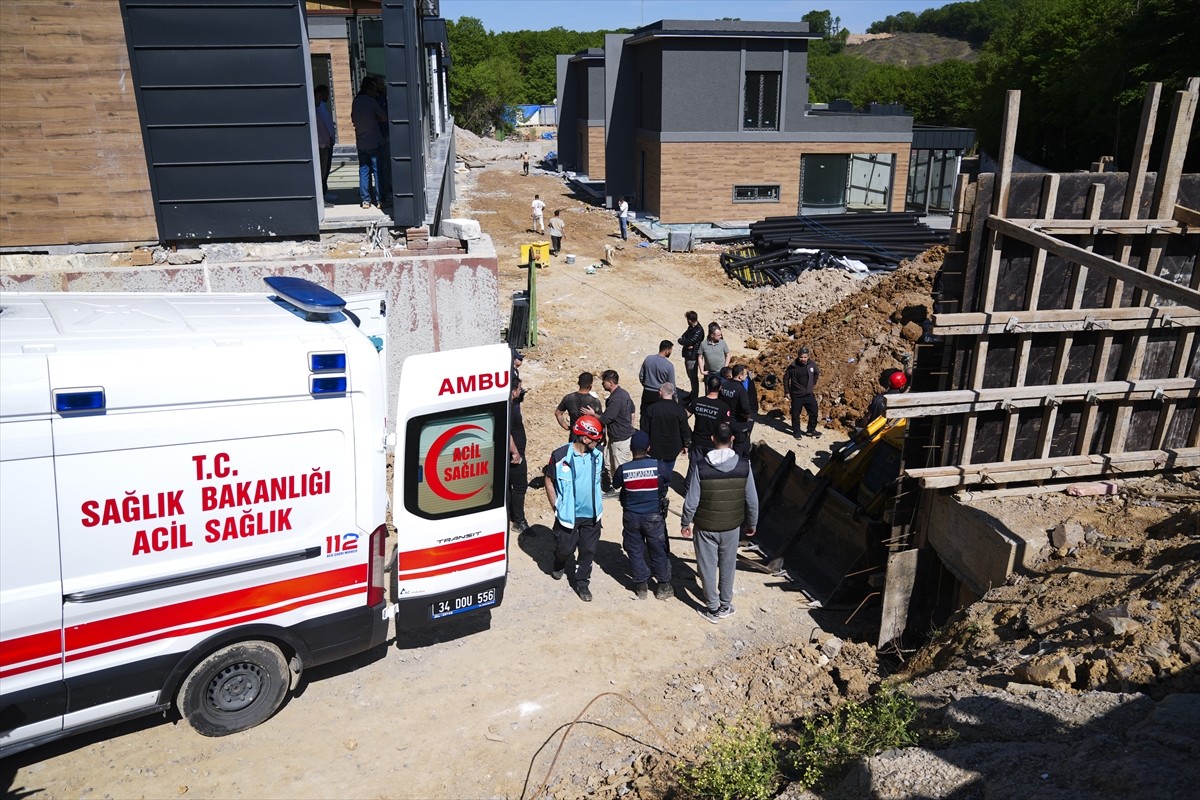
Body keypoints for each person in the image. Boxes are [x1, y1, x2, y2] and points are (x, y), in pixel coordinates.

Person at [680, 422, 758, 623]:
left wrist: (685, 522)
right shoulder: (744, 465)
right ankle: (725, 605)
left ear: (712, 439)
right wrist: (752, 523)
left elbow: (692, 501)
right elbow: (751, 499)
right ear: (732, 439)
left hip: (705, 527)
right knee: (728, 566)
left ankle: (712, 608)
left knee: (707, 567)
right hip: (732, 526)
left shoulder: (702, 466)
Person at [544, 414, 606, 602]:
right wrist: (556, 506)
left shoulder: (599, 455)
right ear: (585, 438)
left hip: (592, 515)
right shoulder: (560, 455)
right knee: (565, 549)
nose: (599, 442)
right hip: (568, 516)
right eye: (596, 439)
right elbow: (549, 480)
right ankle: (559, 562)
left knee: (588, 551)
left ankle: (582, 582)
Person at [613, 431, 673, 600]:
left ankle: (641, 587)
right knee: (658, 550)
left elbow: (615, 484)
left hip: (631, 516)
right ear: (648, 448)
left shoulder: (624, 469)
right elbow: (667, 480)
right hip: (654, 516)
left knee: (635, 551)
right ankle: (663, 586)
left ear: (631, 449)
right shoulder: (658, 466)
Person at [351, 76, 386, 209]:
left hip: (361, 142)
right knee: (377, 172)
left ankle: (365, 200)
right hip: (374, 141)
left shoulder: (356, 102)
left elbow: (353, 119)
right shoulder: (371, 102)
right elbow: (384, 116)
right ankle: (379, 200)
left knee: (363, 171)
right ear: (369, 90)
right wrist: (376, 119)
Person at [598, 369, 635, 496]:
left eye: (604, 382)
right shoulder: (624, 393)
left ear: (610, 382)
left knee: (620, 466)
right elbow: (633, 411)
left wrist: (592, 414)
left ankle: (623, 492)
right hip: (617, 437)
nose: (602, 384)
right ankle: (616, 488)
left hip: (620, 439)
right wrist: (630, 425)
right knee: (610, 463)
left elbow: (606, 419)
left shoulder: (615, 399)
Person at [643, 383, 690, 475]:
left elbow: (645, 429)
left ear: (660, 392)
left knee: (654, 472)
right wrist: (686, 445)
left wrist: (646, 444)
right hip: (673, 448)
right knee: (668, 471)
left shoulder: (651, 409)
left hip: (654, 447)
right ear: (672, 393)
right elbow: (684, 430)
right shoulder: (680, 410)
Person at [687, 374, 731, 464]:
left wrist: (688, 432)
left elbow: (683, 417)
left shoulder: (697, 402)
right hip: (713, 444)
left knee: (694, 468)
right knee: (710, 469)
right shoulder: (724, 407)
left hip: (697, 441)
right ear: (720, 388)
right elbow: (726, 428)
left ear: (707, 387)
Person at [507, 377, 529, 533]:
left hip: (511, 454)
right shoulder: (510, 408)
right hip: (515, 456)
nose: (521, 391)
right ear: (513, 391)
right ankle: (519, 521)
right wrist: (515, 452)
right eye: (519, 389)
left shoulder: (508, 405)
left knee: (509, 487)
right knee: (520, 487)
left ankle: (511, 514)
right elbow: (507, 432)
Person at [785, 346, 821, 438]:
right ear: (798, 356)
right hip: (796, 395)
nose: (803, 359)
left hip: (809, 394)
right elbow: (786, 378)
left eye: (805, 357)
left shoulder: (811, 364)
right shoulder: (793, 366)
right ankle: (797, 432)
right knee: (795, 415)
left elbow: (816, 373)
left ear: (808, 356)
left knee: (814, 412)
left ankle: (811, 430)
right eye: (801, 357)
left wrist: (812, 383)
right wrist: (787, 392)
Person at [638, 340, 676, 426]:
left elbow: (641, 376)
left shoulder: (648, 359)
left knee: (644, 415)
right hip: (660, 394)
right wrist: (675, 398)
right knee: (657, 418)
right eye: (671, 350)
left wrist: (646, 385)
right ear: (667, 351)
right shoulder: (669, 365)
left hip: (647, 392)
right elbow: (671, 385)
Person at [721, 364, 755, 458]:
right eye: (745, 374)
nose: (747, 376)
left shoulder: (724, 385)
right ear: (740, 376)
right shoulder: (741, 390)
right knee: (738, 450)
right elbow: (746, 409)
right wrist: (748, 416)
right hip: (738, 424)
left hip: (725, 421)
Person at [314, 85, 336, 203]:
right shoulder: (317, 109)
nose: (328, 96)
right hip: (322, 145)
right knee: (322, 171)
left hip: (326, 143)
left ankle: (324, 193)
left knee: (325, 170)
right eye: (326, 93)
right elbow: (321, 127)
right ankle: (322, 196)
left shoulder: (320, 107)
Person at [677, 311, 704, 400]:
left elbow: (688, 341)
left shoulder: (698, 330)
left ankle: (694, 396)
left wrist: (684, 342)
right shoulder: (691, 328)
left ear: (689, 320)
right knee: (691, 376)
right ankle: (693, 394)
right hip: (688, 355)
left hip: (693, 357)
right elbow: (683, 337)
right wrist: (684, 342)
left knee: (693, 377)